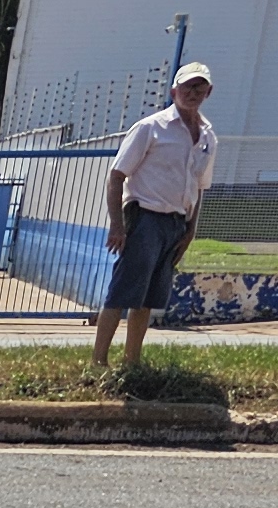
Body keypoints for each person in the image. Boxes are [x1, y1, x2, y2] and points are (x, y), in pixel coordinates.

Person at [92, 64, 216, 378]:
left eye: (199, 88)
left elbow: (199, 186)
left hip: (175, 224)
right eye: (187, 87)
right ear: (174, 91)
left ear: (208, 93)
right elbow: (117, 176)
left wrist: (190, 229)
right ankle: (98, 363)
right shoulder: (152, 127)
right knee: (122, 293)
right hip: (145, 218)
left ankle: (132, 362)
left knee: (147, 298)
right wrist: (118, 225)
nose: (192, 94)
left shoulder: (208, 137)